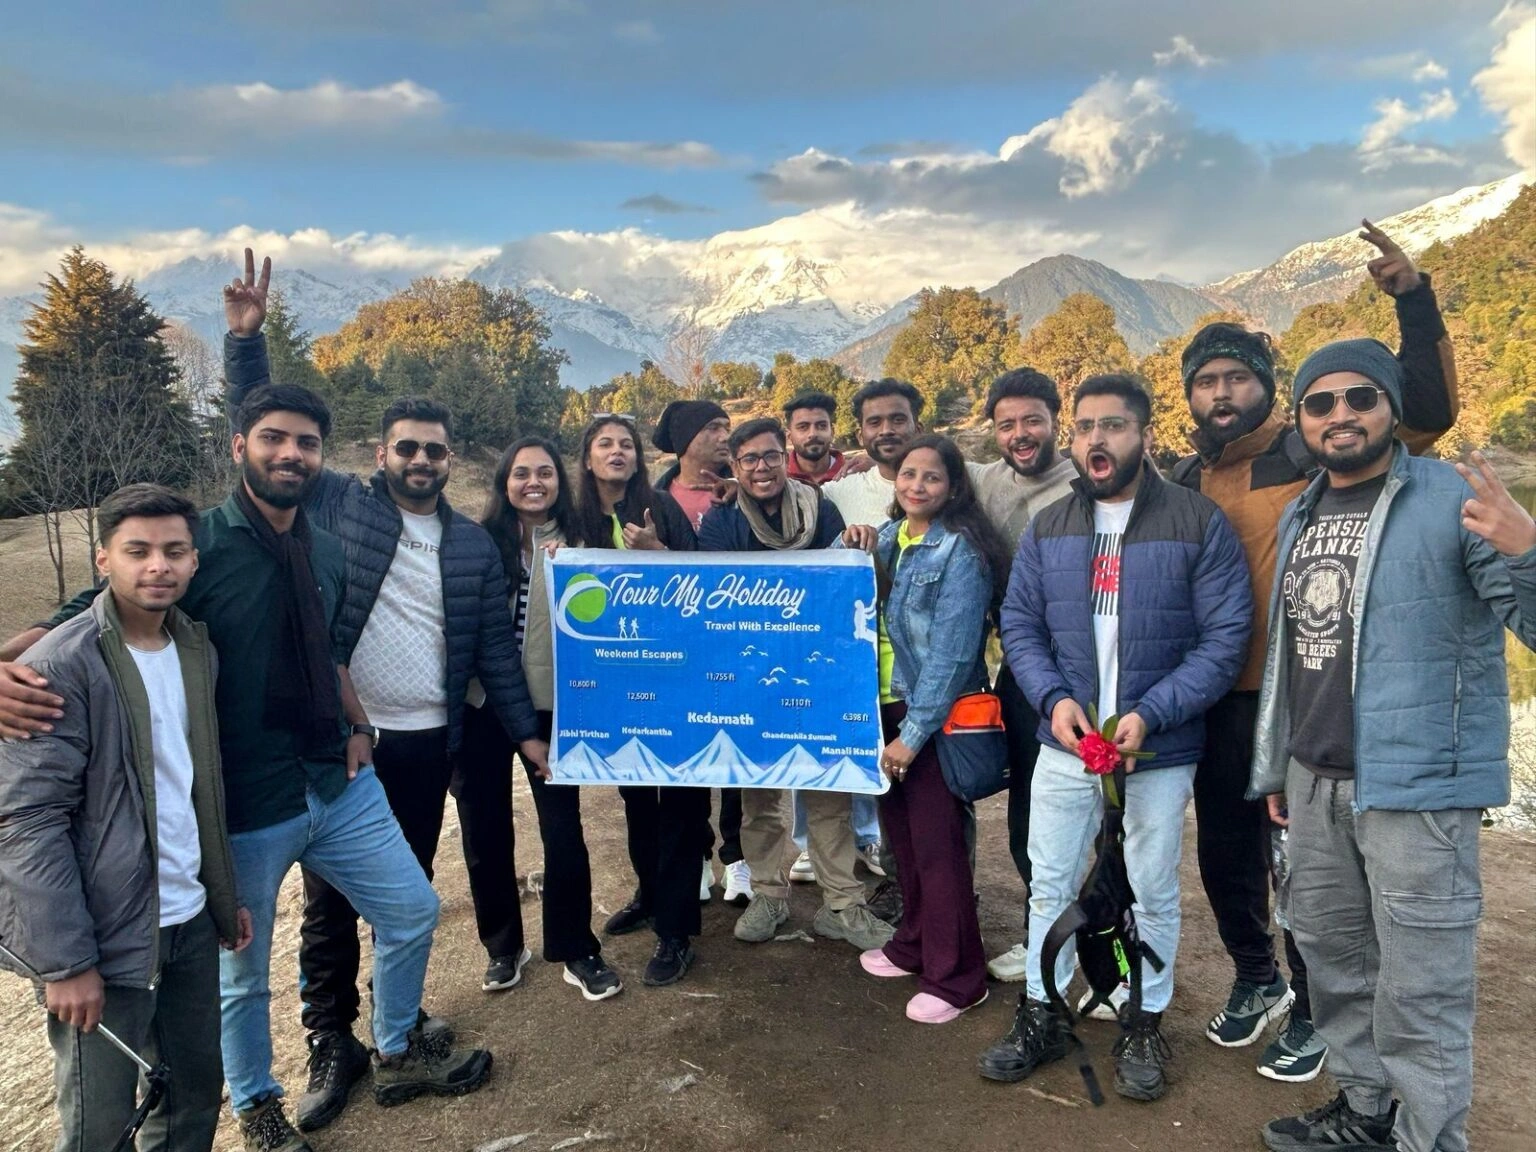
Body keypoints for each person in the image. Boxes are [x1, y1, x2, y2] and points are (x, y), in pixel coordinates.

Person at [0, 384, 493, 1152]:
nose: (289, 454)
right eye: (273, 438)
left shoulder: (324, 549)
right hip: (243, 802)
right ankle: (258, 1103)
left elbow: (331, 649)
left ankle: (395, 1049)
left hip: (333, 781)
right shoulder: (197, 547)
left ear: (322, 457)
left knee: (413, 911)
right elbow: (91, 610)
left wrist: (357, 721)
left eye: (305, 443)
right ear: (240, 446)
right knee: (242, 969)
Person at [220, 253, 544, 1133]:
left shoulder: (474, 547)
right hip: (343, 746)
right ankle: (332, 1040)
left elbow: (495, 657)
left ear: (452, 462)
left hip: (426, 744)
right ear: (379, 454)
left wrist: (525, 737)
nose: (421, 460)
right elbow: (261, 438)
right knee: (326, 909)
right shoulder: (342, 506)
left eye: (436, 451)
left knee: (403, 895)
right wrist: (244, 344)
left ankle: (393, 1023)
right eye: (407, 447)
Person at [1170, 222, 1458, 1081]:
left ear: (1267, 388)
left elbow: (1428, 412)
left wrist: (1414, 298)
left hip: (1309, 697)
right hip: (1219, 697)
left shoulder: (1314, 447)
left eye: (1237, 378)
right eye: (1207, 382)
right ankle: (1258, 982)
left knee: (1309, 871)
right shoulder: (1186, 478)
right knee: (1224, 850)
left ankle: (1316, 1004)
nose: (1221, 394)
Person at [1250, 340, 1536, 1152]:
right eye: (1321, 402)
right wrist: (1283, 762)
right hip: (1313, 780)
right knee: (1336, 963)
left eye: (1359, 397)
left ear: (1392, 409)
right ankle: (1367, 1113)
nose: (1341, 414)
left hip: (1418, 790)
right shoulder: (1305, 507)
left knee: (1423, 991)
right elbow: (1302, 646)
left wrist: (1530, 551)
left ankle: (1430, 1140)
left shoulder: (1451, 498)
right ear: (1302, 420)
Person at [978, 374, 1250, 1102]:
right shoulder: (1051, 527)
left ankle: (1144, 1014)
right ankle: (1043, 1010)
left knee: (1154, 887)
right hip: (1065, 742)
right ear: (1074, 441)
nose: (1098, 439)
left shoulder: (1196, 521)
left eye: (1115, 426)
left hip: (1158, 746)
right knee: (1050, 883)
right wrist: (1054, 700)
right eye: (1086, 427)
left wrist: (1153, 712)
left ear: (1144, 436)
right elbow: (1022, 626)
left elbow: (1225, 640)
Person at [0, 484, 253, 1152]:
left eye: (174, 551)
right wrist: (65, 962)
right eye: (137, 551)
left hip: (189, 922)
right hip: (105, 941)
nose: (158, 566)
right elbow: (28, 823)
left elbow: (193, 787)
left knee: (194, 1094)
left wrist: (221, 901)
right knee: (98, 1126)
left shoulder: (196, 650)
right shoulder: (58, 665)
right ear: (102, 559)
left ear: (194, 562)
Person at [697, 418, 890, 952]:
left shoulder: (819, 508)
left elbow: (836, 580)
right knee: (760, 798)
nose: (762, 468)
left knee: (827, 793)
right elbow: (718, 601)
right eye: (749, 460)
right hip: (752, 679)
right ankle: (768, 895)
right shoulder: (720, 523)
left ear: (785, 457)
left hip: (817, 671)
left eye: (770, 456)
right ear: (734, 468)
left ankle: (843, 906)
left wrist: (856, 545)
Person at [842, 433, 1012, 1023]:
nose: (917, 485)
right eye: (909, 474)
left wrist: (912, 736)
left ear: (953, 486)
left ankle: (958, 976)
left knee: (939, 848)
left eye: (931, 478)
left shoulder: (960, 553)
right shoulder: (890, 538)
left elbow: (951, 656)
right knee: (904, 838)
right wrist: (857, 545)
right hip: (883, 708)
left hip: (931, 717)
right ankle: (914, 943)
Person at [471, 436, 623, 1001]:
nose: (533, 482)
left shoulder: (582, 541)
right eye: (520, 473)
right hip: (481, 703)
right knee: (485, 830)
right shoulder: (478, 541)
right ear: (503, 483)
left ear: (561, 481)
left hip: (554, 706)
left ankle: (576, 946)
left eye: (544, 473)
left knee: (563, 830)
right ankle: (503, 946)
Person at [575, 415, 711, 987]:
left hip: (678, 681)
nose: (617, 451)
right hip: (615, 687)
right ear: (587, 458)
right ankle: (650, 894)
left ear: (638, 456)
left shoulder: (663, 509)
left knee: (681, 801)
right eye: (605, 443)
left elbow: (705, 587)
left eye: (626, 444)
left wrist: (659, 550)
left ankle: (676, 932)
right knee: (636, 799)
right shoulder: (573, 517)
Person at [967, 368, 1078, 984]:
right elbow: (913, 478)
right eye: (1006, 424)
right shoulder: (990, 484)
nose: (1020, 433)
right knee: (1030, 811)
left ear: (1055, 420)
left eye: (1032, 419)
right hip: (1023, 670)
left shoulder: (1091, 479)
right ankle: (1046, 935)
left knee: (1107, 817)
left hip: (1095, 671)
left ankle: (1108, 941)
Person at [652, 398, 749, 905]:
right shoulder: (655, 497)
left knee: (735, 753)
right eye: (713, 427)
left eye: (726, 427)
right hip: (676, 650)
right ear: (687, 438)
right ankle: (696, 858)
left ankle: (737, 857)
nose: (723, 436)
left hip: (733, 644)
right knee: (687, 756)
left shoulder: (743, 491)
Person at [784, 391, 848, 484]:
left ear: (832, 432)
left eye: (822, 426)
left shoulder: (853, 473)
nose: (813, 434)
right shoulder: (779, 479)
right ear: (790, 436)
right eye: (803, 427)